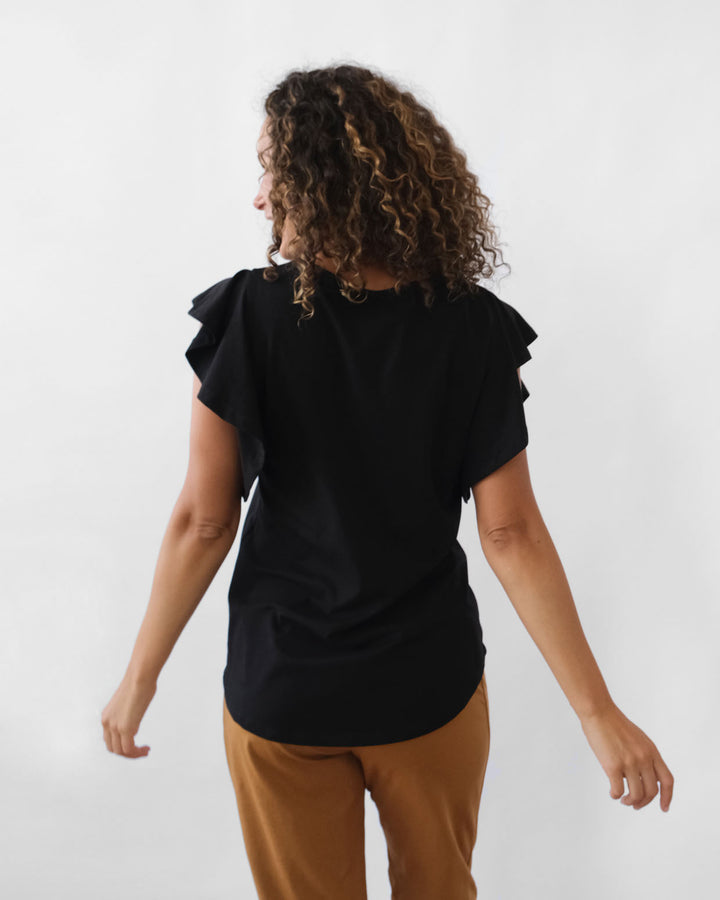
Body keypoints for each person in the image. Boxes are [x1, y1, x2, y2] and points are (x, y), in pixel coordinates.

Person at [101, 64, 674, 899]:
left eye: (272, 171)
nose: (259, 198)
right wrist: (598, 713)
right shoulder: (472, 328)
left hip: (285, 689)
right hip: (426, 685)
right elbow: (510, 533)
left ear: (323, 181)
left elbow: (204, 520)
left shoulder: (248, 316)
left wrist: (139, 678)